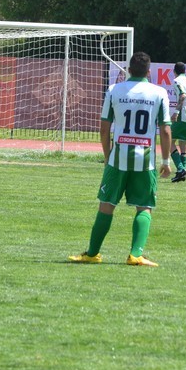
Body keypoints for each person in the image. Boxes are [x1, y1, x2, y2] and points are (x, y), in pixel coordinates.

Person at [68, 51, 173, 267]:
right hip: (145, 161)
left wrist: (108, 156)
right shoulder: (159, 92)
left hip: (118, 159)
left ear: (129, 70)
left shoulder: (114, 90)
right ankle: (135, 255)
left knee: (106, 205)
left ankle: (93, 253)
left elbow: (104, 128)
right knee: (144, 206)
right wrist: (166, 161)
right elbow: (165, 130)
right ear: (149, 72)